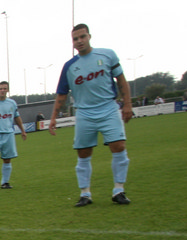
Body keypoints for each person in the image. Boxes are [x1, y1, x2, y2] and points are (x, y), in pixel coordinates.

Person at [49, 23, 133, 207]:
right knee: (83, 152)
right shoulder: (69, 66)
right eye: (75, 39)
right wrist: (53, 117)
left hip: (108, 108)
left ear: (89, 36)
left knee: (119, 146)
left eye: (82, 37)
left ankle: (119, 190)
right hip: (84, 113)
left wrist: (127, 104)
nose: (79, 41)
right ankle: (85, 194)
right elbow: (62, 94)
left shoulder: (107, 55)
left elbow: (121, 80)